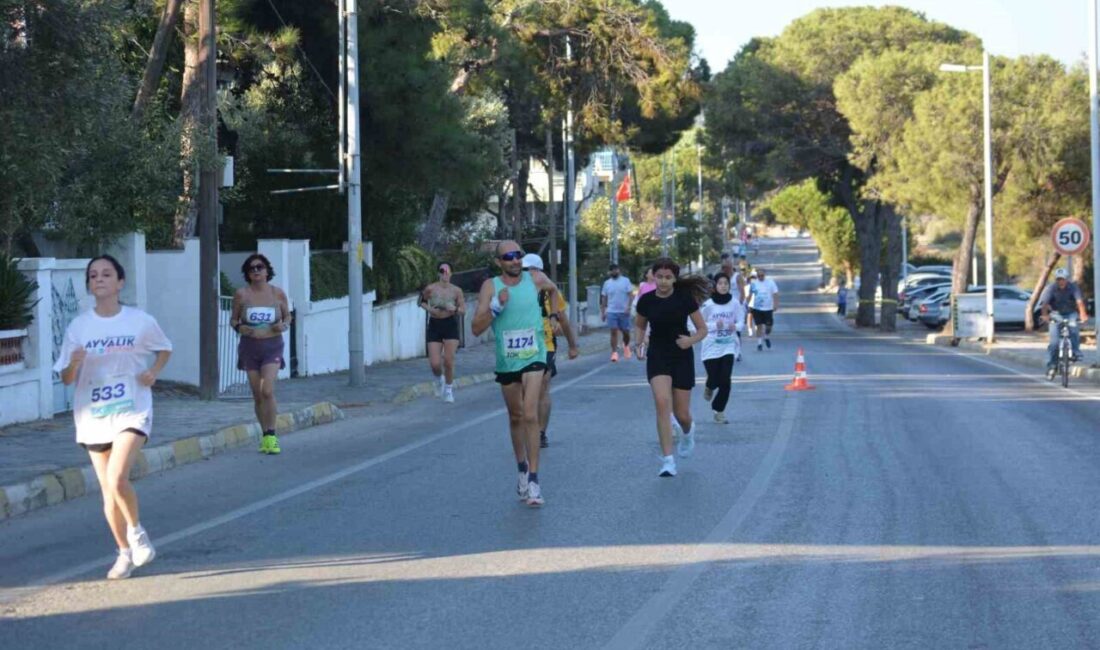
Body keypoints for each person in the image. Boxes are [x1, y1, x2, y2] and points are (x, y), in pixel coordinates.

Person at [55, 255, 172, 580]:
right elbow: (66, 378)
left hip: (132, 408)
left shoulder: (139, 321)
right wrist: (74, 363)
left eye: (107, 274)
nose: (99, 279)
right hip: (93, 414)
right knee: (108, 490)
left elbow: (164, 348)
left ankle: (136, 533)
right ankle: (123, 553)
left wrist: (153, 371)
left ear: (120, 282)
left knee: (118, 477)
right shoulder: (79, 327)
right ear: (89, 285)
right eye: (93, 275)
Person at [472, 241, 566, 507]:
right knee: (516, 417)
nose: (515, 260)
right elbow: (476, 328)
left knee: (530, 413)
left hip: (534, 355)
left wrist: (554, 316)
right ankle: (522, 469)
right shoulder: (491, 286)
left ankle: (534, 481)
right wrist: (496, 307)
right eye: (509, 257)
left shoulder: (535, 278)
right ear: (499, 262)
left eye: (518, 255)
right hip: (507, 360)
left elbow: (553, 290)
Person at [631, 258, 709, 477]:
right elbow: (640, 325)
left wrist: (690, 341)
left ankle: (688, 432)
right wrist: (639, 344)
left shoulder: (684, 299)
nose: (663, 281)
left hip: (681, 354)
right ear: (652, 277)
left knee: (682, 414)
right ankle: (667, 461)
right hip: (658, 354)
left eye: (668, 277)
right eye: (659, 277)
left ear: (674, 279)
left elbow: (703, 329)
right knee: (662, 402)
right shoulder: (646, 300)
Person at [231, 254, 292, 455]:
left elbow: (288, 316)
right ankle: (265, 434)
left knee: (267, 390)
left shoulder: (277, 293)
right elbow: (234, 320)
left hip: (272, 346)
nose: (256, 271)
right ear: (247, 274)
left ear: (267, 271)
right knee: (257, 395)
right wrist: (240, 328)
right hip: (250, 348)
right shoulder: (241, 294)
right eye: (252, 269)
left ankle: (272, 435)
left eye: (260, 267)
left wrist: (283, 325)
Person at [522, 254, 580, 448]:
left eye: (531, 270)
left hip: (545, 343)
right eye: (525, 270)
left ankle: (540, 432)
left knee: (543, 385)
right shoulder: (515, 288)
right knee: (524, 388)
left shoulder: (550, 291)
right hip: (521, 344)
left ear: (539, 271)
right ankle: (528, 425)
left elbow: (563, 319)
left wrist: (572, 345)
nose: (528, 274)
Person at [700, 273, 745, 424]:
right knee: (714, 378)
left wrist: (735, 326)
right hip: (711, 346)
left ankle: (719, 411)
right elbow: (697, 324)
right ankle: (709, 386)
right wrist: (714, 325)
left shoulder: (734, 303)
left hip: (728, 345)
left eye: (726, 283)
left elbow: (741, 321)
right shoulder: (708, 305)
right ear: (715, 286)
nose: (723, 286)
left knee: (725, 380)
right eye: (720, 283)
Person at [420, 262, 466, 403]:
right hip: (435, 324)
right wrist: (430, 309)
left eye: (447, 271)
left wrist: (455, 309)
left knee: (448, 360)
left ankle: (449, 390)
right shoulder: (431, 288)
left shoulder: (456, 290)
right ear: (438, 273)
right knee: (435, 364)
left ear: (451, 273)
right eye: (442, 271)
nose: (445, 274)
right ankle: (440, 379)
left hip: (450, 324)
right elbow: (421, 301)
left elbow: (463, 310)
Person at [1039, 267, 1089, 375]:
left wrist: (1083, 314)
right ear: (1056, 280)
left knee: (1074, 330)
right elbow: (1044, 304)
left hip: (1071, 313)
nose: (1061, 281)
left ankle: (1075, 352)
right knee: (1054, 343)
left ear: (1067, 279)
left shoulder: (1073, 287)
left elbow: (1079, 302)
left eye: (1063, 279)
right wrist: (1045, 316)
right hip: (1056, 314)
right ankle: (1052, 365)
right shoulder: (1050, 288)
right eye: (1058, 279)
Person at [601, 263, 635, 362]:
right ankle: (614, 352)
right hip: (611, 311)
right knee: (613, 331)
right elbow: (604, 298)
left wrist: (628, 307)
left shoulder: (625, 281)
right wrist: (603, 312)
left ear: (619, 270)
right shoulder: (607, 283)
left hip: (624, 311)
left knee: (626, 332)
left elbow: (631, 295)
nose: (614, 271)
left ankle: (626, 346)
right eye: (612, 270)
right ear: (609, 272)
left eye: (616, 269)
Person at [749, 267, 779, 351]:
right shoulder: (754, 284)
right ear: (757, 275)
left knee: (769, 327)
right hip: (757, 308)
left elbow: (775, 294)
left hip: (768, 308)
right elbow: (750, 295)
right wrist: (747, 304)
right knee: (759, 326)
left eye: (762, 275)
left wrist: (775, 304)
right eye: (759, 275)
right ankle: (759, 344)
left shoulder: (770, 283)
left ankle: (766, 336)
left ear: (764, 274)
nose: (760, 277)